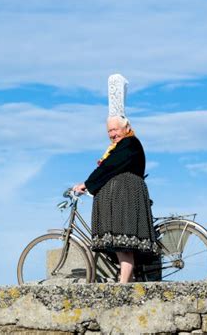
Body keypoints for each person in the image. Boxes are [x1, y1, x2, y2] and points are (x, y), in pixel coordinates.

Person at [73, 74, 158, 284]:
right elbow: (109, 167)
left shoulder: (129, 144)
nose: (112, 134)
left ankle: (124, 283)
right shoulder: (123, 145)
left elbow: (110, 167)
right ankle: (125, 278)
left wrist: (86, 184)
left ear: (126, 128)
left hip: (126, 198)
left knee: (123, 242)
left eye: (115, 130)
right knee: (119, 243)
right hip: (121, 197)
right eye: (109, 131)